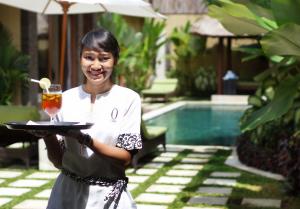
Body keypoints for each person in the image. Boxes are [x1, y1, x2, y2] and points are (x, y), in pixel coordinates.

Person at [43, 27, 142, 209]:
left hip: (108, 196)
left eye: (104, 58)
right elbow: (58, 161)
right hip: (67, 193)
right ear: (80, 58)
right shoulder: (64, 99)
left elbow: (126, 157)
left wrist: (85, 139)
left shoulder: (129, 99)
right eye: (89, 57)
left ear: (115, 60)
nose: (96, 66)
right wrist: (47, 135)